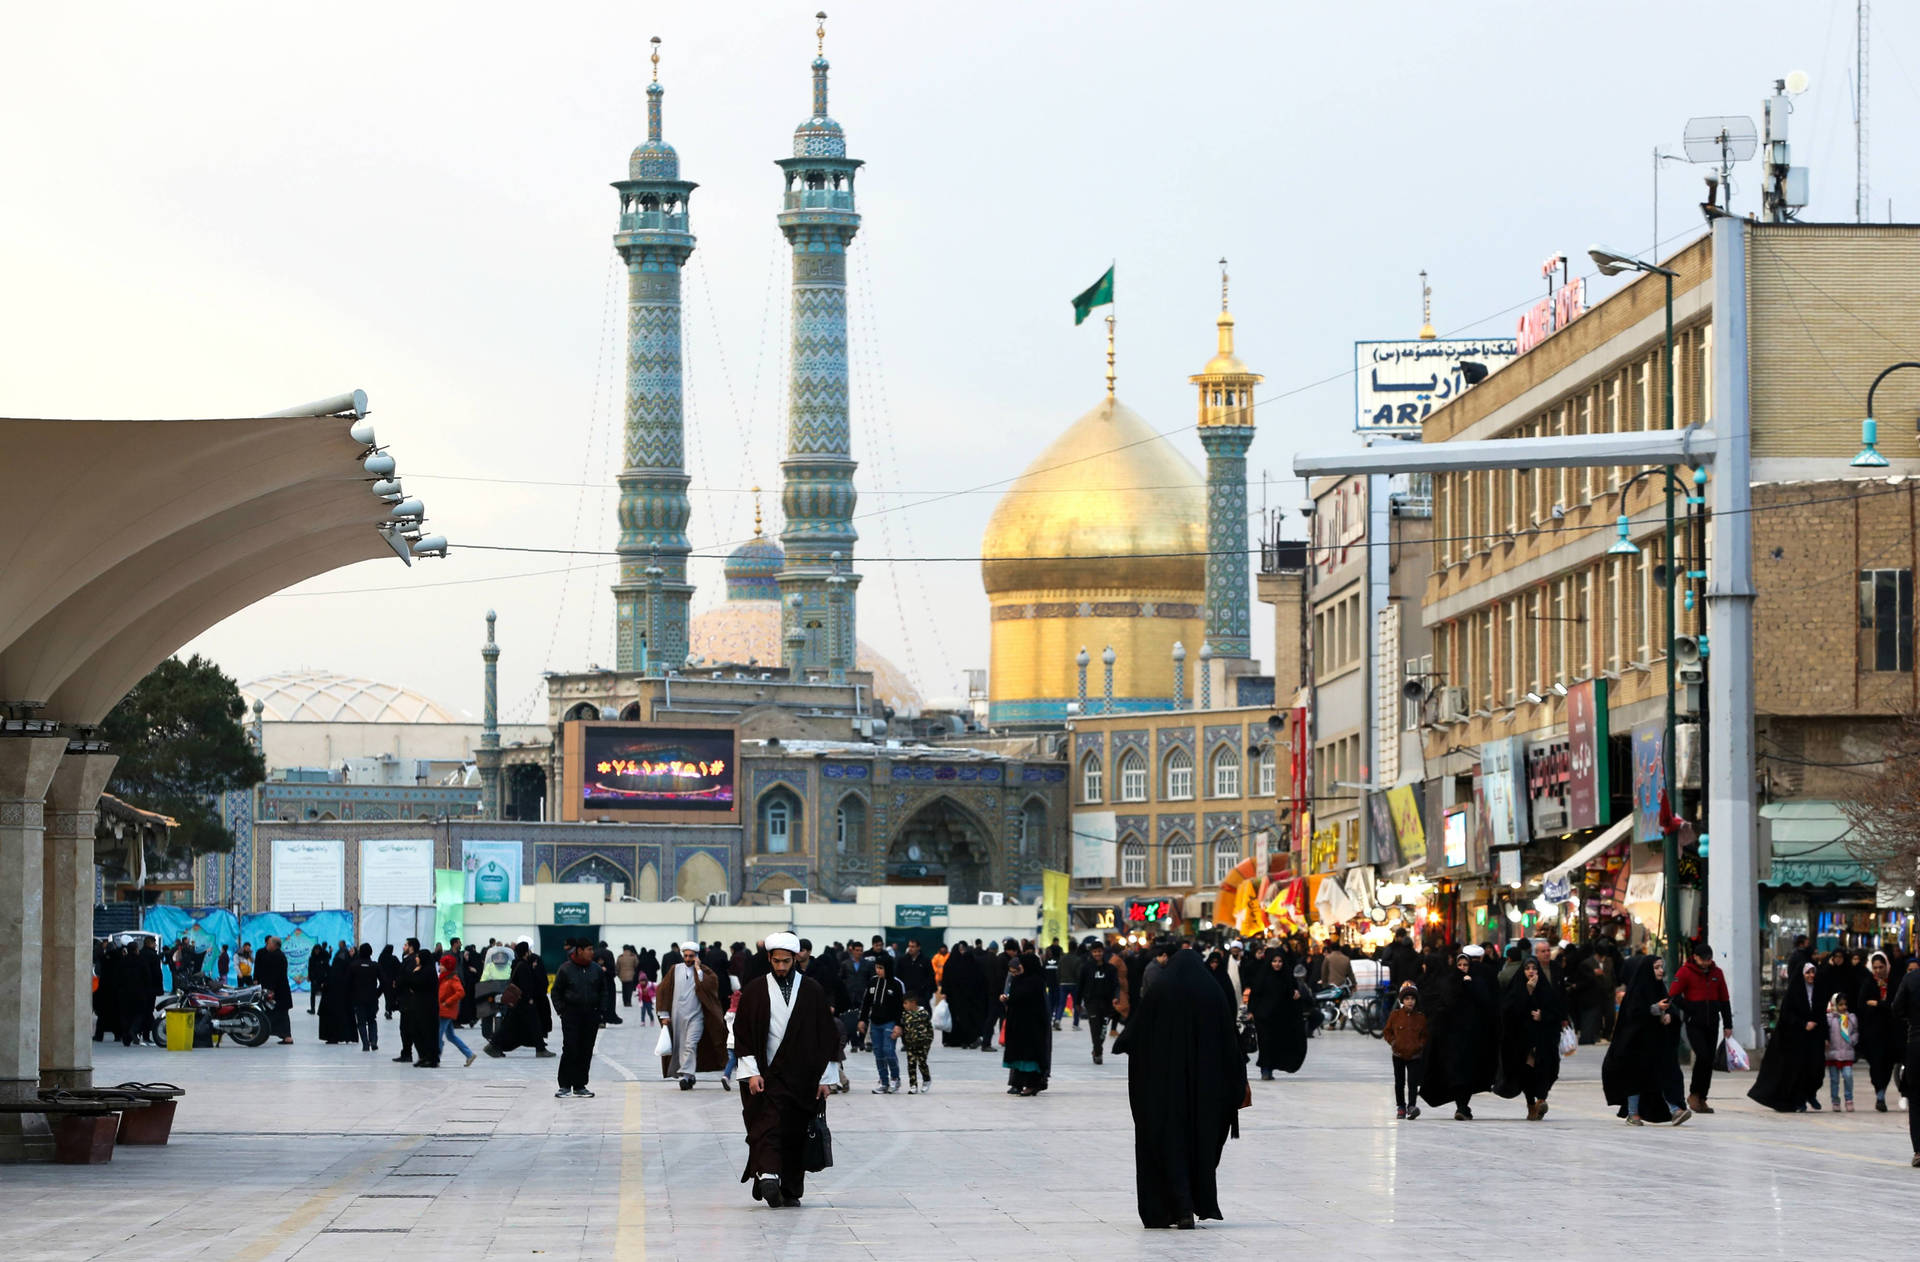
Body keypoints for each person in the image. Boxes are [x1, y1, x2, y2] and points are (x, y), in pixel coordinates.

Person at [1113, 944, 1246, 1230]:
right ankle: (1192, 1203)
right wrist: (1234, 1084)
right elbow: (1231, 1044)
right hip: (1206, 1095)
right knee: (1199, 1146)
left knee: (1166, 1146)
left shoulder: (1161, 991)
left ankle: (1175, 1208)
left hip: (1164, 1094)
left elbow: (1134, 1034)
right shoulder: (1212, 993)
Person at [734, 933, 839, 1208]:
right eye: (776, 961)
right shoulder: (755, 990)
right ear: (769, 958)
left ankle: (790, 1188)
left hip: (803, 1077)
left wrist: (826, 1078)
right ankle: (768, 1174)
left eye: (786, 961)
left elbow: (826, 1035)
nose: (781, 967)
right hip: (767, 1075)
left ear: (796, 959)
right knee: (767, 1125)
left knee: (795, 1131)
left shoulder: (812, 990)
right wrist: (751, 1072)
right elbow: (742, 1033)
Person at [1604, 956, 1691, 1125]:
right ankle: (1633, 1113)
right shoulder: (1636, 992)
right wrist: (1655, 1010)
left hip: (1657, 1044)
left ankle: (1675, 1110)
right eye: (1656, 967)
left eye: (1661, 967)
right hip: (1636, 1045)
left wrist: (1668, 1016)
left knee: (1665, 1075)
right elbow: (1633, 1016)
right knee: (1636, 1078)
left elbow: (1669, 1009)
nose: (1660, 971)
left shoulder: (1660, 988)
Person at [1420, 946, 1497, 1120]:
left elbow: (1485, 1003)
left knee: (1467, 1072)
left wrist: (1470, 986)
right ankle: (1461, 1106)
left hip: (1471, 1037)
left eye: (1465, 965)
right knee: (1456, 1072)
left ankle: (1463, 1106)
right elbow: (1443, 1005)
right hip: (1451, 1038)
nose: (1462, 968)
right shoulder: (1449, 982)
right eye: (1460, 964)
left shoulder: (1476, 982)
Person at [1749, 960, 1828, 1112]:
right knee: (1799, 1070)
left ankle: (1811, 1094)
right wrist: (1803, 1024)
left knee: (1817, 1069)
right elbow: (1787, 1015)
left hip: (1815, 1038)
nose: (1811, 975)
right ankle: (1800, 1100)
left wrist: (1825, 1036)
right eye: (1808, 973)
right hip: (1797, 1038)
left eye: (1813, 972)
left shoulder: (1819, 990)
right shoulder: (1794, 992)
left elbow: (1822, 1014)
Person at [1667, 942, 1735, 1114]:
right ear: (1695, 958)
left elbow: (1724, 999)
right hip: (1694, 1023)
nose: (1706, 963)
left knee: (1708, 1059)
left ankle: (1702, 1097)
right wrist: (1689, 1009)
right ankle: (1694, 1094)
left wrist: (1728, 1024)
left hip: (1712, 1022)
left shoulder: (1717, 973)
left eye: (1708, 960)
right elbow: (1673, 994)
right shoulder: (1685, 972)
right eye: (1703, 959)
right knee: (1703, 1056)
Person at [1498, 955, 1564, 1121]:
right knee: (1527, 1071)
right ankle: (1531, 1104)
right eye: (1528, 968)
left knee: (1547, 1069)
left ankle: (1541, 1099)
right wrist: (1527, 992)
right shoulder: (1517, 987)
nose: (1531, 971)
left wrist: (1543, 1016)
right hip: (1523, 1038)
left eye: (1534, 968)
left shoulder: (1545, 988)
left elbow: (1556, 1012)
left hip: (1544, 1037)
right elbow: (1509, 1011)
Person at [658, 941, 727, 1089]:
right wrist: (663, 1014)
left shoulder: (704, 971)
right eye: (686, 955)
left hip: (697, 1016)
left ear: (696, 956)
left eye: (691, 956)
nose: (688, 958)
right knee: (681, 1046)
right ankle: (690, 1076)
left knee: (691, 1044)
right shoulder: (674, 969)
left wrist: (698, 969)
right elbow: (663, 990)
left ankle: (687, 1075)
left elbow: (711, 985)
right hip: (677, 1015)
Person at [550, 940, 604, 1097]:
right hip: (571, 1015)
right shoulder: (566, 969)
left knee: (586, 1050)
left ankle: (580, 1085)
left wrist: (600, 1012)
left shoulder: (596, 969)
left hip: (591, 1016)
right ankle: (565, 1085)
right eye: (589, 949)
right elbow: (556, 992)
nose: (592, 952)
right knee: (570, 1048)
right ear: (579, 950)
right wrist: (562, 1011)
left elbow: (603, 991)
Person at [1245, 945, 1307, 1080]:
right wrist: (1251, 1011)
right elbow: (1255, 994)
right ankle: (1265, 1070)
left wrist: (1296, 994)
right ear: (1269, 962)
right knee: (1265, 1043)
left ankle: (1270, 1068)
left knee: (1275, 1044)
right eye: (1274, 961)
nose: (1277, 964)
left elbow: (1292, 993)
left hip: (1280, 1017)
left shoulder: (1287, 977)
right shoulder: (1262, 976)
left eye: (1280, 961)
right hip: (1264, 1017)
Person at [1001, 951, 1052, 1096]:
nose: (1020, 967)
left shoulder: (1036, 981)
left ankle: (1032, 1084)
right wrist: (1008, 1000)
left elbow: (1026, 999)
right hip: (1019, 1024)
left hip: (1033, 1025)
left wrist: (1010, 999)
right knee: (1020, 1055)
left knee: (1031, 1056)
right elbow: (1016, 997)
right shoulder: (1019, 979)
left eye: (1022, 964)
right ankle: (1017, 1083)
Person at [1857, 951, 1900, 1112]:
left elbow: (1895, 1005)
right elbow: (1862, 1005)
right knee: (1876, 1065)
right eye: (1875, 968)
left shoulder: (1894, 983)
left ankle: (1882, 1092)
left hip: (1890, 1032)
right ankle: (1880, 1094)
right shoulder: (1868, 983)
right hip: (1873, 1033)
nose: (1878, 971)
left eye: (1881, 967)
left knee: (1888, 1064)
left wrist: (1878, 1004)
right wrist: (1882, 1005)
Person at [857, 953, 906, 1094]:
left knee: (889, 1051)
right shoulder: (872, 982)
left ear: (888, 968)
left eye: (881, 968)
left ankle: (895, 1079)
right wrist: (862, 1020)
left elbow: (901, 1007)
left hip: (890, 1023)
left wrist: (899, 1025)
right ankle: (883, 1081)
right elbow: (866, 1003)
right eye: (876, 968)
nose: (878, 971)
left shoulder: (897, 984)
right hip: (875, 1024)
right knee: (878, 1053)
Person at [1889, 963, 1920, 1164]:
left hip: (1916, 1044)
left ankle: (1919, 1150)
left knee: (1916, 1100)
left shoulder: (1911, 979)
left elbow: (1896, 1008)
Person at [1382, 984, 1427, 1120]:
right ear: (1402, 1000)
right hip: (1398, 1055)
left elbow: (1425, 1035)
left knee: (1413, 1082)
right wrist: (1394, 1043)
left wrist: (1420, 1045)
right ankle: (1401, 1106)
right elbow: (1387, 1031)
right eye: (1407, 998)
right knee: (1399, 1082)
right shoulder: (1395, 1015)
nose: (1410, 1001)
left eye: (1412, 998)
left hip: (1414, 1055)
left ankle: (1412, 1106)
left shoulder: (1420, 1017)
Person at [1080, 941, 1126, 1064]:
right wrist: (1078, 1002)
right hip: (1092, 1003)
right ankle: (1098, 1053)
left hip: (1107, 1004)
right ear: (1091, 953)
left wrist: (1116, 997)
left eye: (1099, 951)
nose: (1097, 954)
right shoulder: (1086, 968)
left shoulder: (1110, 969)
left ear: (1103, 952)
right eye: (1095, 951)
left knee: (1103, 1031)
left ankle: (1096, 1048)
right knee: (1095, 1029)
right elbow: (1080, 985)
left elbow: (1116, 985)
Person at [938, 941, 987, 1050]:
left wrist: (945, 992)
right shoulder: (969, 964)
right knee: (964, 1019)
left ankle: (951, 1040)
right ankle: (966, 1039)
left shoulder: (950, 963)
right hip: (965, 998)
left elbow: (946, 980)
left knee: (954, 1019)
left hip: (953, 998)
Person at [435, 953, 477, 1068]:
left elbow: (461, 992)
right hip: (443, 1010)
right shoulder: (443, 978)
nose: (440, 967)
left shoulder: (453, 978)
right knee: (450, 1036)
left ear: (447, 966)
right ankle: (469, 1054)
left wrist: (447, 1002)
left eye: (442, 965)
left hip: (447, 1011)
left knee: (438, 1035)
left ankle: (436, 1057)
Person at [255, 935, 293, 1044]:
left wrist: (269, 989)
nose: (267, 945)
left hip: (277, 991)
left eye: (269, 943)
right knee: (281, 1014)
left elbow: (272, 975)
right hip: (281, 991)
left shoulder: (274, 956)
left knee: (277, 1013)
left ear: (274, 945)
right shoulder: (279, 955)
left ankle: (284, 1036)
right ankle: (286, 1036)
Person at [1826, 992, 1859, 1111]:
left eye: (1845, 1004)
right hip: (1833, 1054)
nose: (1843, 1007)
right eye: (1840, 1005)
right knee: (1834, 1080)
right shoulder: (1829, 1019)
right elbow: (1825, 1033)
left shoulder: (1851, 1018)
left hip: (1847, 1053)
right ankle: (1835, 1100)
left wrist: (1852, 1040)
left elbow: (1855, 1031)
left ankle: (1849, 1099)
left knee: (1848, 1076)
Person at [897, 991, 934, 1093]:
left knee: (922, 1063)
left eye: (905, 1003)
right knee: (911, 1064)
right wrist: (905, 1041)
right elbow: (903, 1029)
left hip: (923, 1044)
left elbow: (930, 1029)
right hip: (910, 1044)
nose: (904, 1006)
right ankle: (913, 1085)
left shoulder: (924, 1014)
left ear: (913, 1002)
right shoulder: (905, 1015)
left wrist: (928, 1041)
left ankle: (926, 1080)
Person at [318, 947, 354, 1045]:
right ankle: (344, 1036)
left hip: (330, 1002)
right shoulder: (346, 972)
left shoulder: (333, 972)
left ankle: (333, 1037)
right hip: (342, 1000)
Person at [350, 943, 382, 1052]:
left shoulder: (354, 966)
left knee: (361, 1022)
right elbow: (384, 981)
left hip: (358, 998)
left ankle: (365, 1044)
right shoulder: (375, 966)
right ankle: (373, 1041)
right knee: (372, 1020)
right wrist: (377, 993)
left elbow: (347, 982)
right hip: (372, 998)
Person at [1057, 940, 1084, 1029]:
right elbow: (1079, 974)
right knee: (1076, 1004)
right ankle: (1075, 1024)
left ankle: (1057, 1020)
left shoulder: (1062, 959)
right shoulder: (1077, 959)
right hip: (1074, 984)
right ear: (1076, 948)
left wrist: (1059, 981)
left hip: (1063, 983)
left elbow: (1058, 972)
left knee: (1061, 1004)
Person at [377, 944, 401, 1019]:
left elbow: (379, 968)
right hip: (391, 981)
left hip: (383, 980)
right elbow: (399, 968)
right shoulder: (394, 959)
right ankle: (389, 1010)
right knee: (391, 996)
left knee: (386, 996)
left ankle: (388, 1010)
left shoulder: (381, 957)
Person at [306, 942, 331, 1014]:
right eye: (315, 950)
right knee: (312, 994)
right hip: (314, 979)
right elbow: (310, 968)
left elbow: (327, 968)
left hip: (322, 979)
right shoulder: (311, 958)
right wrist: (309, 976)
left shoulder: (324, 958)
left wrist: (327, 978)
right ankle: (312, 1009)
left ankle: (323, 1010)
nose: (317, 951)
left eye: (318, 950)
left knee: (324, 995)